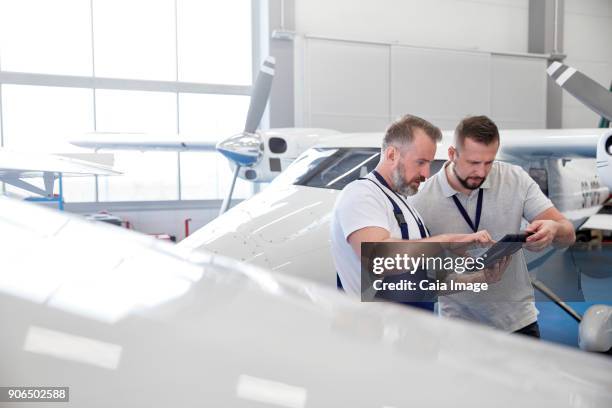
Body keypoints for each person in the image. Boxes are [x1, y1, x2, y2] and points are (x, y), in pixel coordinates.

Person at [410, 115, 576, 336]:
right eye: (473, 163)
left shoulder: (515, 179)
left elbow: (569, 234)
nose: (481, 172)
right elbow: (417, 278)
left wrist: (553, 230)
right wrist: (473, 279)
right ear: (452, 154)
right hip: (458, 327)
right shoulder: (420, 201)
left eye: (489, 162)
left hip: (518, 322)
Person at [330, 114, 494, 311]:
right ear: (392, 155)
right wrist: (446, 241)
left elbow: (425, 283)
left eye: (429, 164)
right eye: (421, 162)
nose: (426, 174)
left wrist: (480, 278)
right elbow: (379, 258)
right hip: (375, 333)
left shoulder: (405, 205)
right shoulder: (361, 194)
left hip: (409, 333)